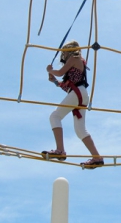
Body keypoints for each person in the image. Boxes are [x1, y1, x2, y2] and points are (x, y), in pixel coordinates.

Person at [44, 41, 103, 169]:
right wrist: (55, 81)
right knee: (80, 130)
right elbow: (67, 87)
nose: (63, 57)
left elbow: (59, 72)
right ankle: (97, 157)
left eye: (64, 53)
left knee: (55, 116)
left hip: (78, 93)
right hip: (79, 94)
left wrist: (50, 70)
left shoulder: (75, 58)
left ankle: (60, 150)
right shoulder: (76, 63)